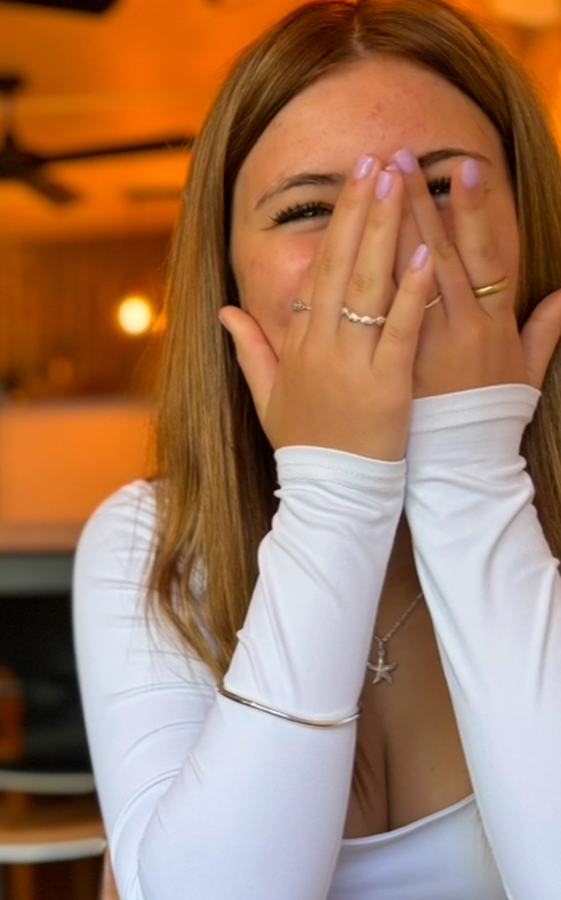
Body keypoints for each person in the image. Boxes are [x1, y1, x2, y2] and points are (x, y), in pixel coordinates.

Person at [73, 2, 561, 898]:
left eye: (441, 188)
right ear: (228, 271)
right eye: (307, 209)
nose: (382, 250)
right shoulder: (154, 541)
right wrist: (337, 492)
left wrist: (470, 469)